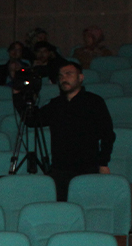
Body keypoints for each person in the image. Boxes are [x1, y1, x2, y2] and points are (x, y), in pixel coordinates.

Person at [19, 60, 115, 199]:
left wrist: (103, 163)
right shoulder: (55, 104)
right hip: (60, 169)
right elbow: (32, 121)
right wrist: (18, 96)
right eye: (61, 76)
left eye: (69, 74)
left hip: (88, 168)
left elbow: (107, 135)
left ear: (80, 78)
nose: (64, 78)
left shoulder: (94, 102)